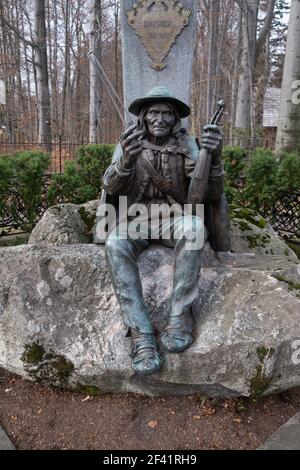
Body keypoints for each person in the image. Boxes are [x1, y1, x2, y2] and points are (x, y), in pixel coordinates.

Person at [97, 86, 230, 376]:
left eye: (166, 113)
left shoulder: (187, 145)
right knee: (115, 244)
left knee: (194, 229)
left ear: (174, 119)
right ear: (144, 117)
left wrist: (214, 159)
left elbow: (206, 195)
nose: (160, 118)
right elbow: (110, 187)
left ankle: (180, 316)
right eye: (154, 112)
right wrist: (125, 162)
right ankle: (140, 333)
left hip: (175, 217)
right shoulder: (128, 143)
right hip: (135, 219)